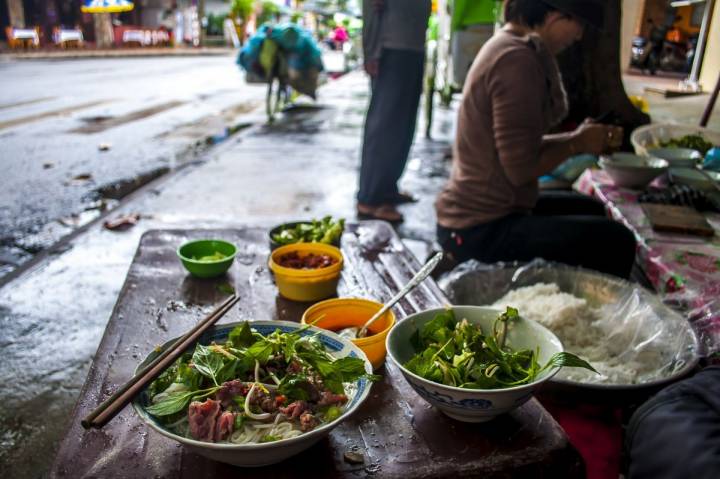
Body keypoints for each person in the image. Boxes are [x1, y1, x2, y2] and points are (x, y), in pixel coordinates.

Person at [435, 0, 636, 278]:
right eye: (578, 25)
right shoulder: (516, 60)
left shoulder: (511, 45)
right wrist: (578, 144)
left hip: (490, 209)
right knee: (617, 242)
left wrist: (578, 138)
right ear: (554, 16)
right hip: (477, 228)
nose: (578, 36)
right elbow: (521, 169)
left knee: (594, 208)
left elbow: (522, 148)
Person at [357, 0, 432, 223]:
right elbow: (371, 6)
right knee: (385, 126)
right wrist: (371, 52)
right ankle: (370, 199)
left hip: (413, 46)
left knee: (403, 125)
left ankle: (388, 188)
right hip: (391, 48)